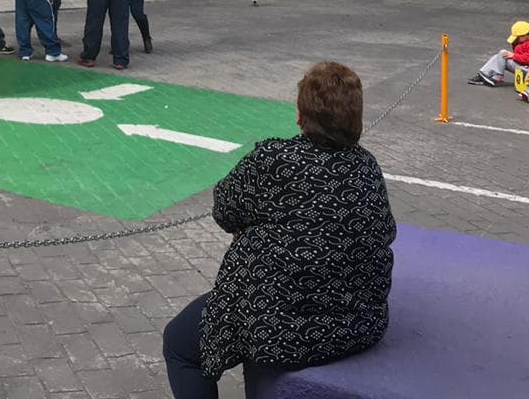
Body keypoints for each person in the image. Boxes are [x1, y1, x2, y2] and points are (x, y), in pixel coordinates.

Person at [162, 62, 395, 399]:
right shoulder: (367, 166)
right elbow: (385, 231)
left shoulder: (274, 158)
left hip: (279, 326)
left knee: (179, 344)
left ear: (301, 116)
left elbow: (225, 210)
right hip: (361, 322)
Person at [469, 20, 529, 87]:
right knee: (498, 56)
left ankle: (496, 77)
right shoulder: (522, 42)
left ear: (525, 35)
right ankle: (483, 75)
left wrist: (514, 56)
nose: (516, 39)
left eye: (518, 37)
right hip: (522, 66)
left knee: (502, 53)